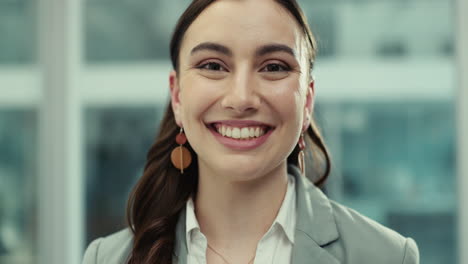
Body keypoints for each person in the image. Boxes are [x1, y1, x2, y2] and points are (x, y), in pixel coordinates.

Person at [82, 0, 419, 263]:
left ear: (307, 101)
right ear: (177, 96)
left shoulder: (387, 257)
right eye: (213, 66)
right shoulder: (108, 259)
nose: (241, 98)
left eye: (274, 67)